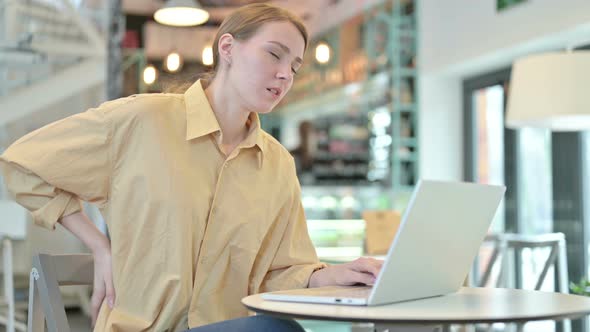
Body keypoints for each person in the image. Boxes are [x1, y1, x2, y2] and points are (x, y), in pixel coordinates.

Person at [0, 3, 383, 331]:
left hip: (232, 327)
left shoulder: (278, 165)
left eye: (295, 66)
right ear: (228, 48)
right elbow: (23, 164)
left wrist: (328, 275)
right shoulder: (142, 121)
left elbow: (280, 272)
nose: (286, 74)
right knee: (274, 328)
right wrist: (100, 245)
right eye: (274, 54)